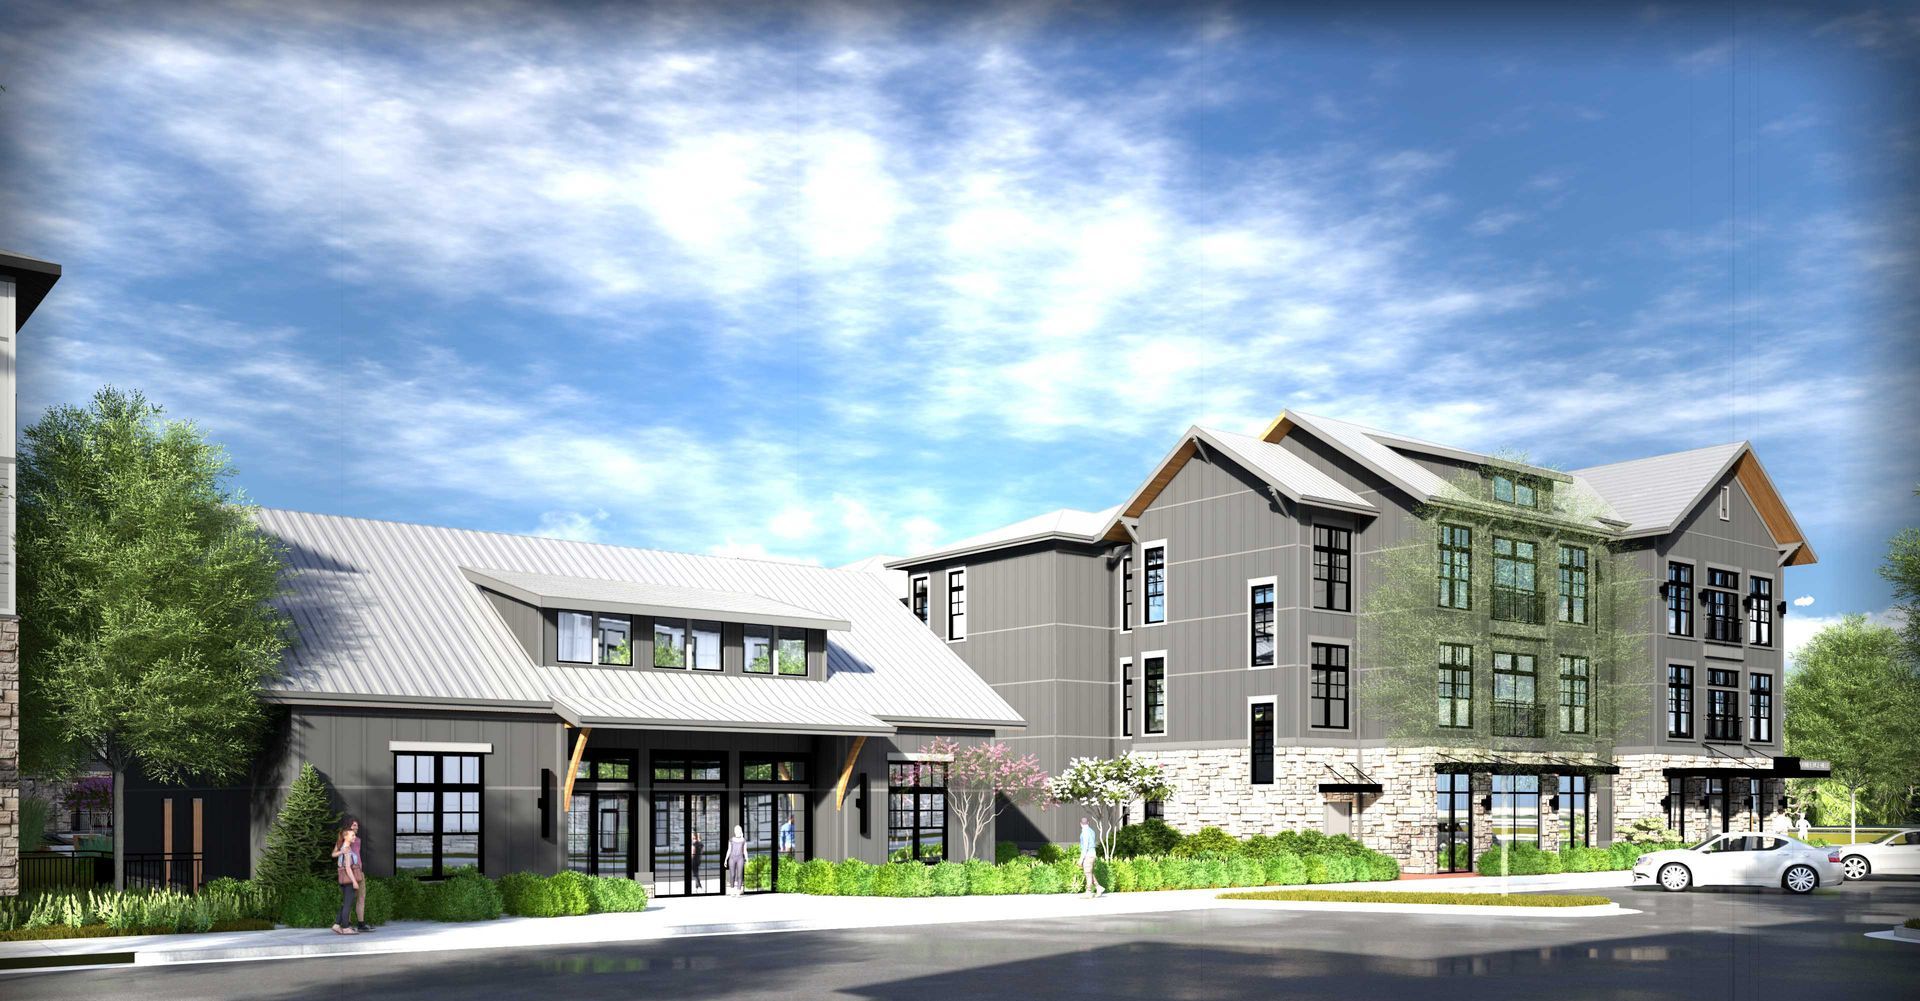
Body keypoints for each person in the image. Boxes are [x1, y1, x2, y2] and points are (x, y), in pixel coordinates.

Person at [330, 825, 361, 935]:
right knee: (348, 904)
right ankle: (346, 928)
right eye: (352, 835)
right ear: (346, 836)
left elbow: (334, 855)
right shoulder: (346, 849)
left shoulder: (342, 846)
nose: (354, 837)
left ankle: (337, 924)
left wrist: (341, 852)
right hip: (348, 881)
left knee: (345, 903)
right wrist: (354, 882)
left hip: (343, 880)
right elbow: (348, 868)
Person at [1079, 818, 1104, 898]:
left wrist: (1081, 859)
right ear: (1088, 822)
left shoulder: (1085, 832)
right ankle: (1098, 887)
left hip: (1088, 855)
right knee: (1090, 872)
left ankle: (1088, 891)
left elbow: (1085, 846)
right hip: (1093, 854)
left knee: (1087, 873)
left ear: (1080, 824)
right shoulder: (1091, 831)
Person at [726, 825, 748, 896]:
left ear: (740, 831)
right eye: (736, 830)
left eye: (738, 830)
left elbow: (745, 851)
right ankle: (732, 890)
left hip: (740, 858)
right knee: (732, 875)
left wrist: (747, 859)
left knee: (739, 875)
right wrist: (725, 859)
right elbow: (729, 850)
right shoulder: (731, 840)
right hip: (732, 858)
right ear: (734, 831)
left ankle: (738, 891)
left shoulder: (743, 840)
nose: (737, 831)